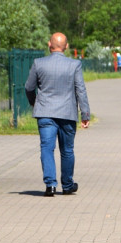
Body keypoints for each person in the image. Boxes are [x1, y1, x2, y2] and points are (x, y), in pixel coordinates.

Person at [24, 33, 91, 196]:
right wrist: (85, 113)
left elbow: (28, 87)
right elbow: (80, 90)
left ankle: (50, 185)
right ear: (66, 46)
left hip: (45, 112)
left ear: (49, 44)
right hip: (67, 113)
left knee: (47, 148)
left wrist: (34, 103)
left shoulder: (39, 63)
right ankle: (67, 185)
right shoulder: (74, 64)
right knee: (67, 150)